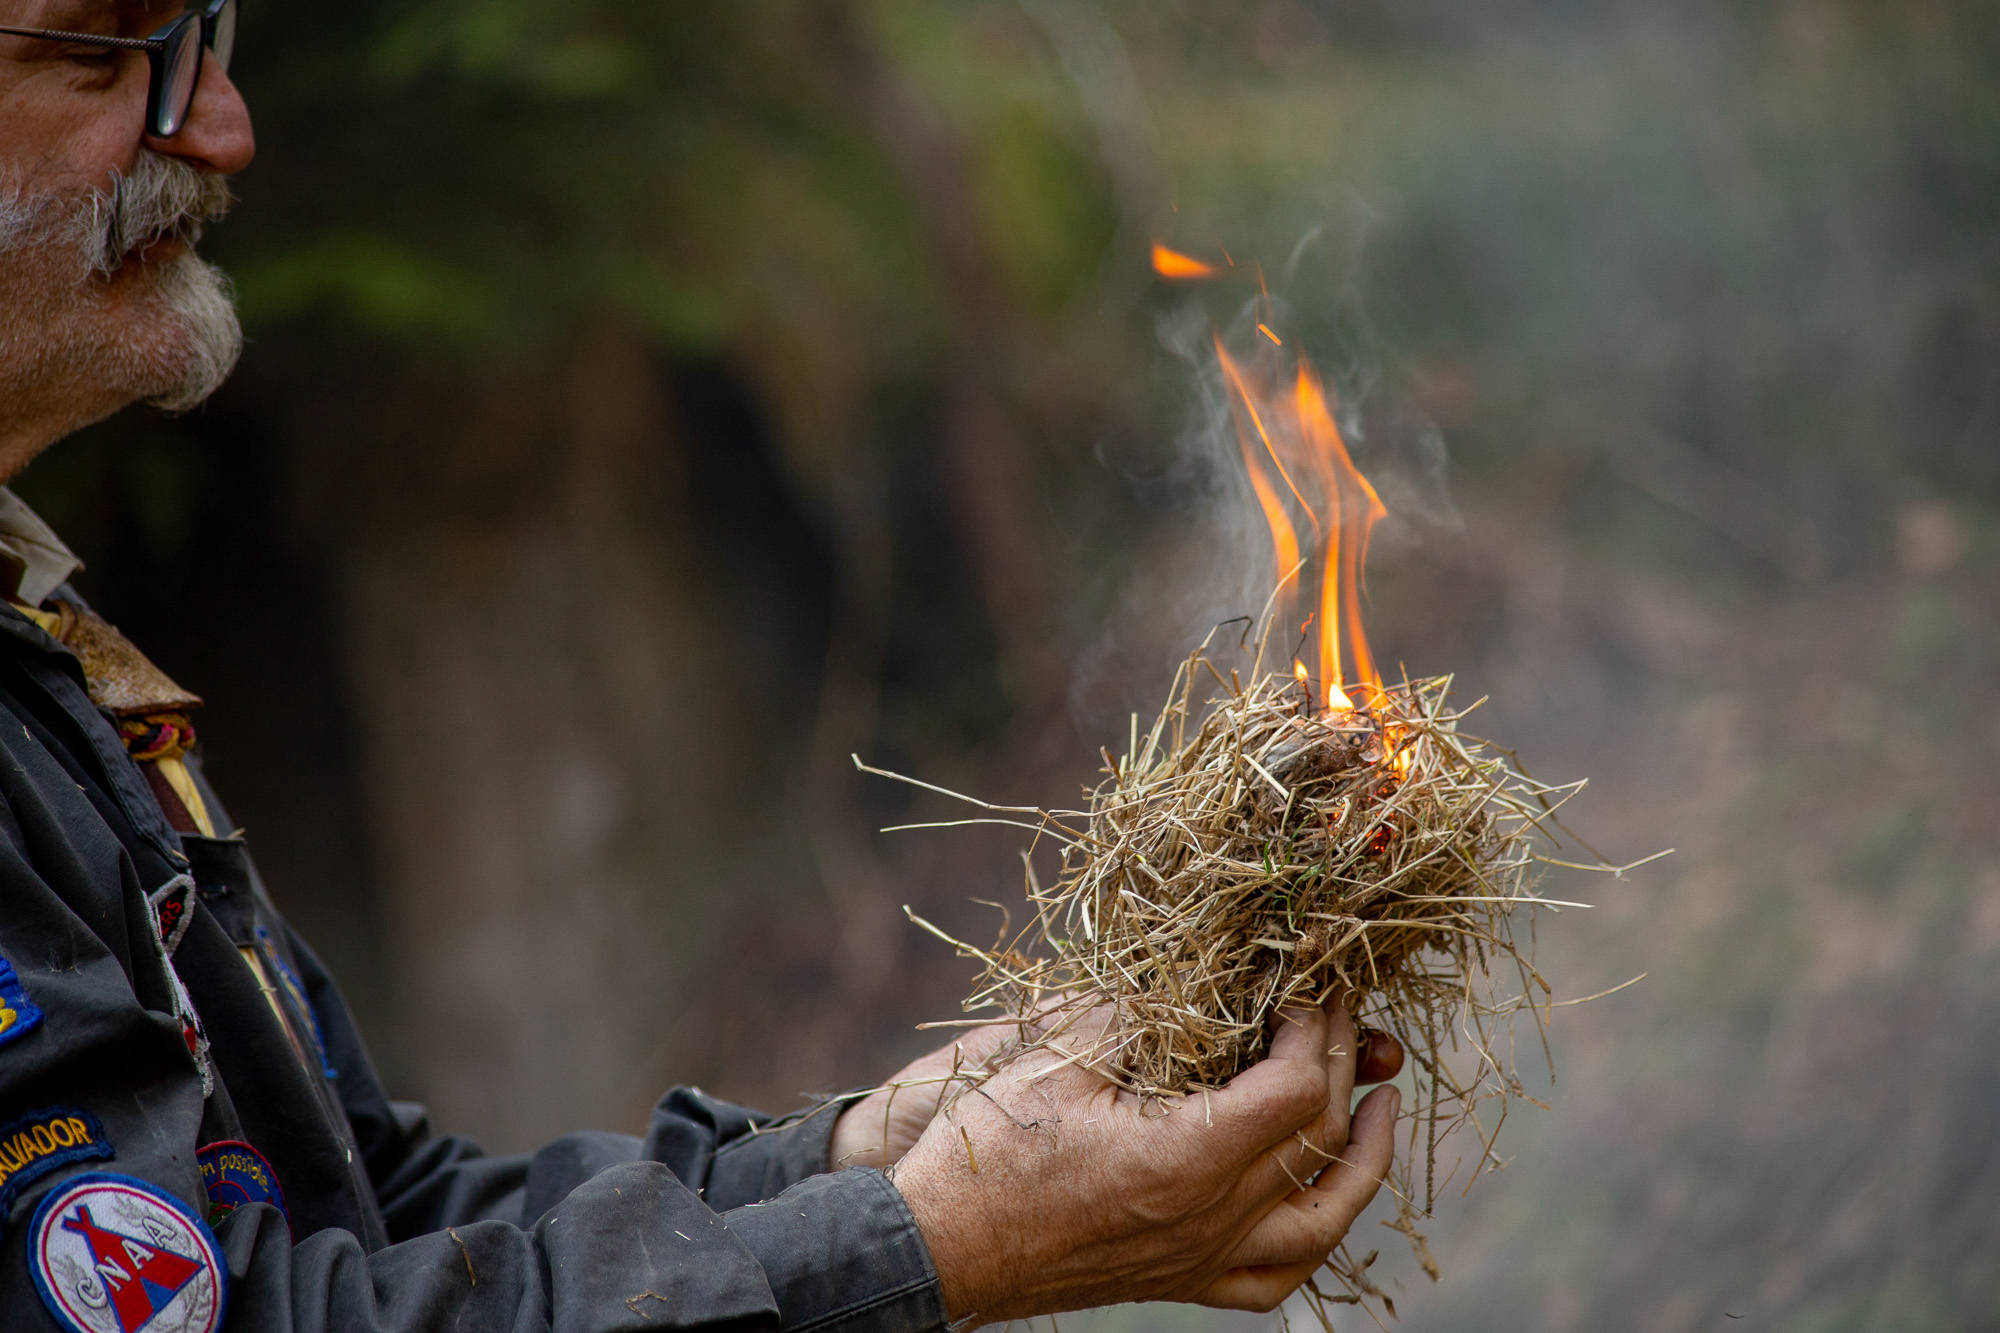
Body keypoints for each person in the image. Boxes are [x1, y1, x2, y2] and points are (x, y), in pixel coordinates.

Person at [0, 4, 1403, 1330]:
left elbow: (371, 1215)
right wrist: (929, 1241)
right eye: (110, 50)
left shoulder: (47, 645)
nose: (224, 127)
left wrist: (870, 1154)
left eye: (206, 34)